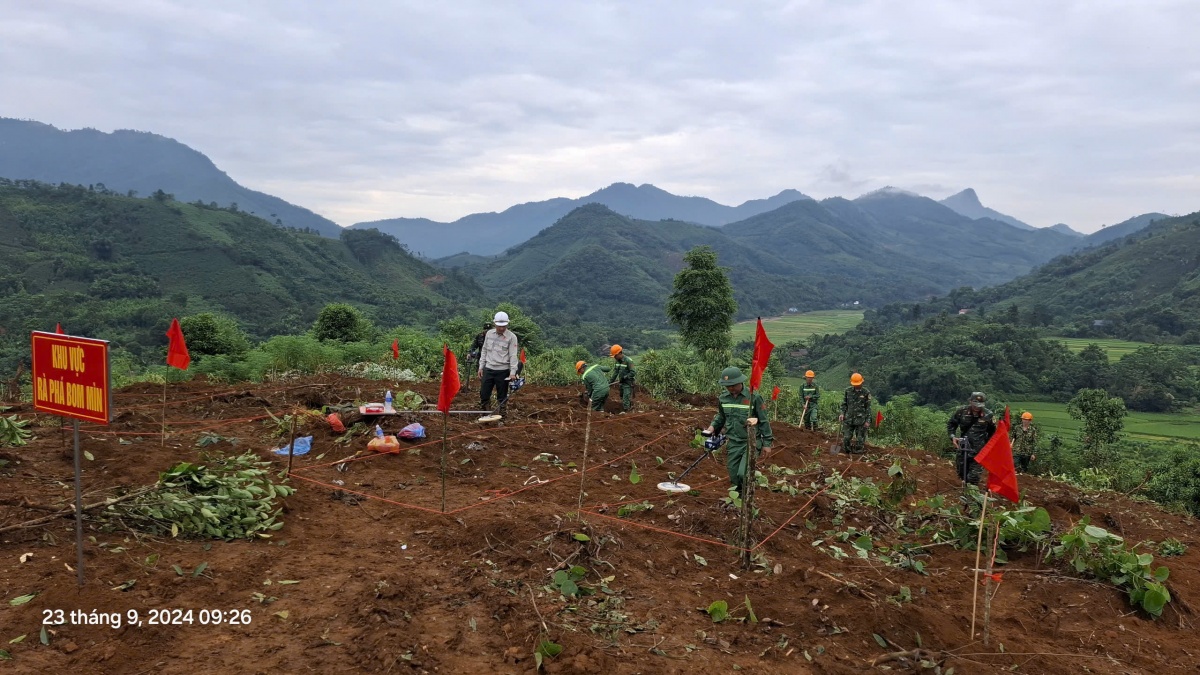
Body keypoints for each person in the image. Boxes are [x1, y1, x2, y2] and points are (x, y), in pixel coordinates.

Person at [703, 366, 774, 498]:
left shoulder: (754, 397)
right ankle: (740, 499)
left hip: (750, 442)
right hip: (734, 442)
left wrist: (767, 443)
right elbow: (721, 417)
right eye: (727, 386)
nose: (730, 388)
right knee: (734, 475)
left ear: (740, 382)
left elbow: (764, 421)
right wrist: (712, 428)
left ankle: (748, 498)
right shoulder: (723, 398)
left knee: (743, 473)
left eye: (733, 385)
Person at [947, 392, 997, 485]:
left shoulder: (988, 415)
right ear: (970, 401)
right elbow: (951, 424)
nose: (977, 407)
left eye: (979, 405)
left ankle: (971, 493)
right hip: (963, 447)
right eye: (975, 404)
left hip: (979, 450)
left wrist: (987, 446)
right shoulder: (961, 411)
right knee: (962, 473)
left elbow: (993, 432)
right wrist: (953, 437)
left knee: (973, 477)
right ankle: (965, 490)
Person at [478, 312, 519, 417]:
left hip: (503, 370)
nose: (501, 329)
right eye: (499, 326)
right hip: (488, 368)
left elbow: (513, 355)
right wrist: (481, 367)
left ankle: (502, 417)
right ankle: (486, 415)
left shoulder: (512, 337)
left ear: (507, 325)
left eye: (504, 326)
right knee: (484, 394)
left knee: (502, 396)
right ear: (495, 324)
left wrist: (513, 373)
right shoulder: (489, 334)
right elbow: (484, 350)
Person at [839, 373, 871, 454]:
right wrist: (842, 413)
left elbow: (868, 408)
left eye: (858, 384)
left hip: (861, 421)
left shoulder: (866, 392)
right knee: (846, 438)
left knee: (860, 440)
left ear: (862, 382)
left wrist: (868, 421)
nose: (856, 386)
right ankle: (848, 451)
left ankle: (857, 453)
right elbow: (844, 404)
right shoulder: (848, 391)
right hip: (848, 419)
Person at [608, 345, 636, 412]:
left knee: (626, 398)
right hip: (621, 383)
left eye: (615, 356)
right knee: (621, 397)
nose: (614, 357)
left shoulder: (628, 361)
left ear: (620, 353)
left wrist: (625, 377)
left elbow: (633, 372)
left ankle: (627, 411)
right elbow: (615, 373)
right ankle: (624, 409)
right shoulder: (617, 361)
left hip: (628, 383)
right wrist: (610, 382)